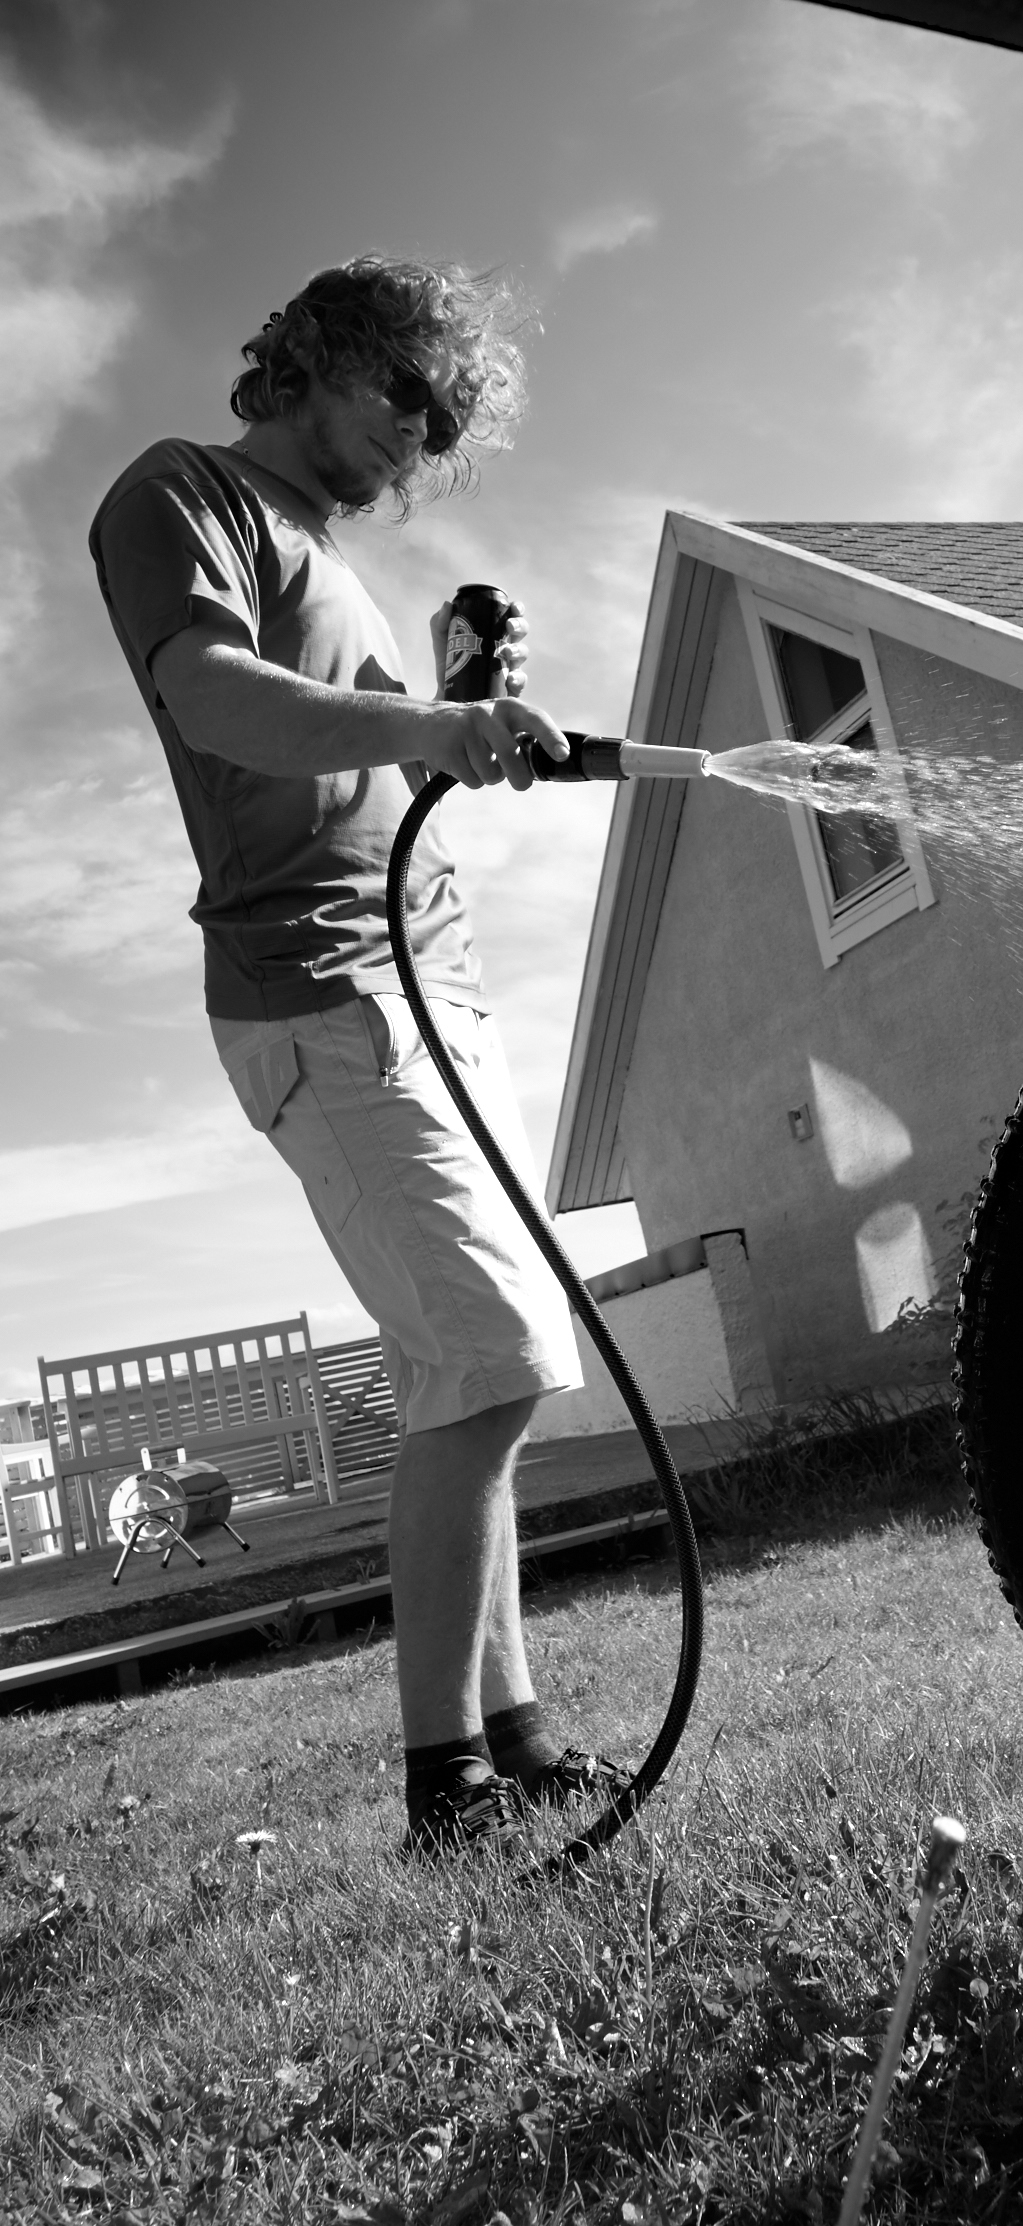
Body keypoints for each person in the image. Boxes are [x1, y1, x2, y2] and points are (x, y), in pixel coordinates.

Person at [89, 255, 613, 1856]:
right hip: (317, 989)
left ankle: (510, 1732)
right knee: (487, 1353)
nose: (419, 440)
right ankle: (443, 1783)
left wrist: (467, 718)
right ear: (320, 356)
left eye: (443, 424)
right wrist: (420, 725)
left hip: (436, 985)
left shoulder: (338, 565)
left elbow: (393, 764)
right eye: (409, 396)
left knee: (492, 1362)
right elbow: (220, 700)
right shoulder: (177, 496)